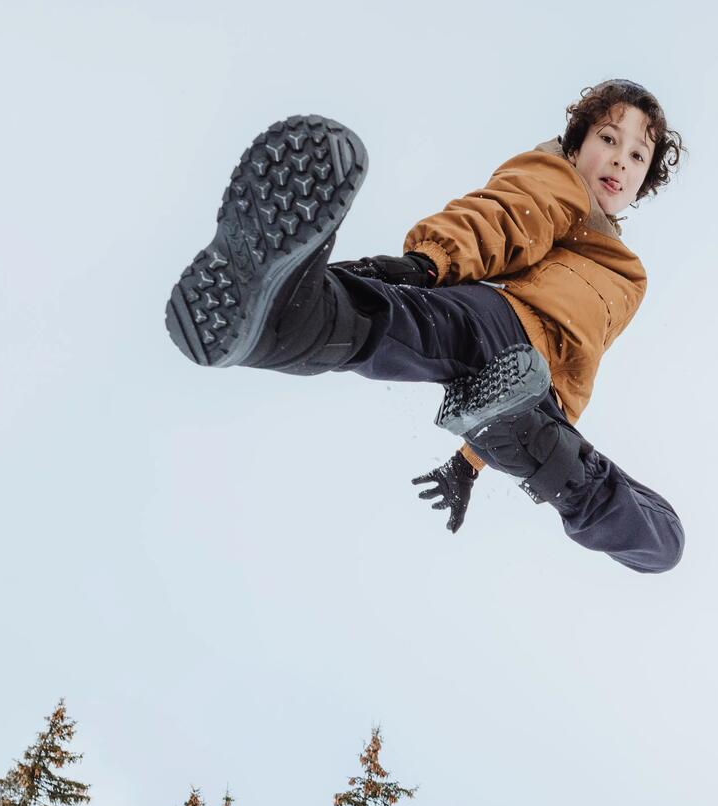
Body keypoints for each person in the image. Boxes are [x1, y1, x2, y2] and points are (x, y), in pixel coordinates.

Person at [164, 80, 686, 574]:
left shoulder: (626, 275)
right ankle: (286, 314)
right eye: (608, 138)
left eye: (638, 154)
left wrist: (468, 464)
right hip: (496, 326)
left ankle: (295, 326)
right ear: (576, 146)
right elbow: (505, 218)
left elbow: (580, 364)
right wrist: (427, 264)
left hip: (532, 393)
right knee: (411, 323)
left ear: (644, 180)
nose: (620, 157)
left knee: (664, 542)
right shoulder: (558, 180)